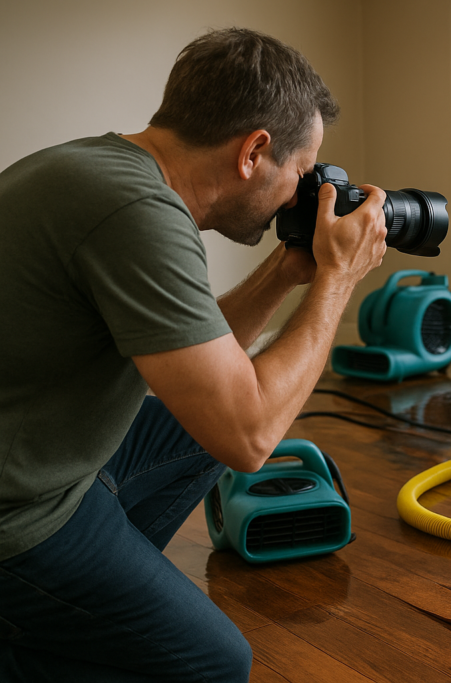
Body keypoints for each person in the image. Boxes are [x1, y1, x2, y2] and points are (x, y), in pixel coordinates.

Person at [0, 28, 388, 681]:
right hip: (21, 511)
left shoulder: (102, 169)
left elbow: (204, 365)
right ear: (253, 151)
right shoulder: (136, 213)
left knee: (198, 431)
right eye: (300, 173)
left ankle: (78, 615)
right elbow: (249, 435)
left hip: (49, 457)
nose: (299, 194)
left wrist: (289, 271)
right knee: (215, 662)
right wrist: (338, 279)